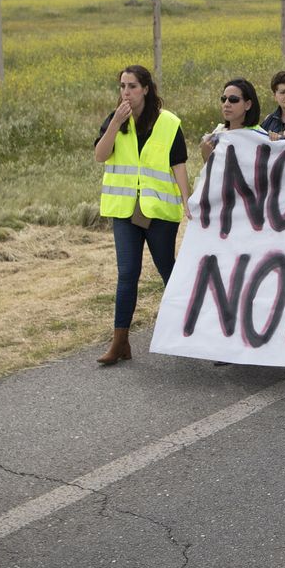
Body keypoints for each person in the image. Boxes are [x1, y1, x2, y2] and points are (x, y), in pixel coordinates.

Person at [93, 65, 190, 367]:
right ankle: (120, 341)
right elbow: (100, 155)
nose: (126, 92)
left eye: (132, 86)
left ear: (146, 89)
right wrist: (115, 124)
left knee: (168, 272)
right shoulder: (115, 120)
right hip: (124, 211)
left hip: (158, 211)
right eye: (122, 86)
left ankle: (193, 331)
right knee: (127, 274)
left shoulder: (169, 123)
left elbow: (179, 165)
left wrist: (189, 202)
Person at [199, 77, 261, 162]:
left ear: (248, 104)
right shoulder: (218, 132)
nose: (226, 104)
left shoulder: (260, 137)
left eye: (233, 100)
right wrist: (206, 156)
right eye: (224, 99)